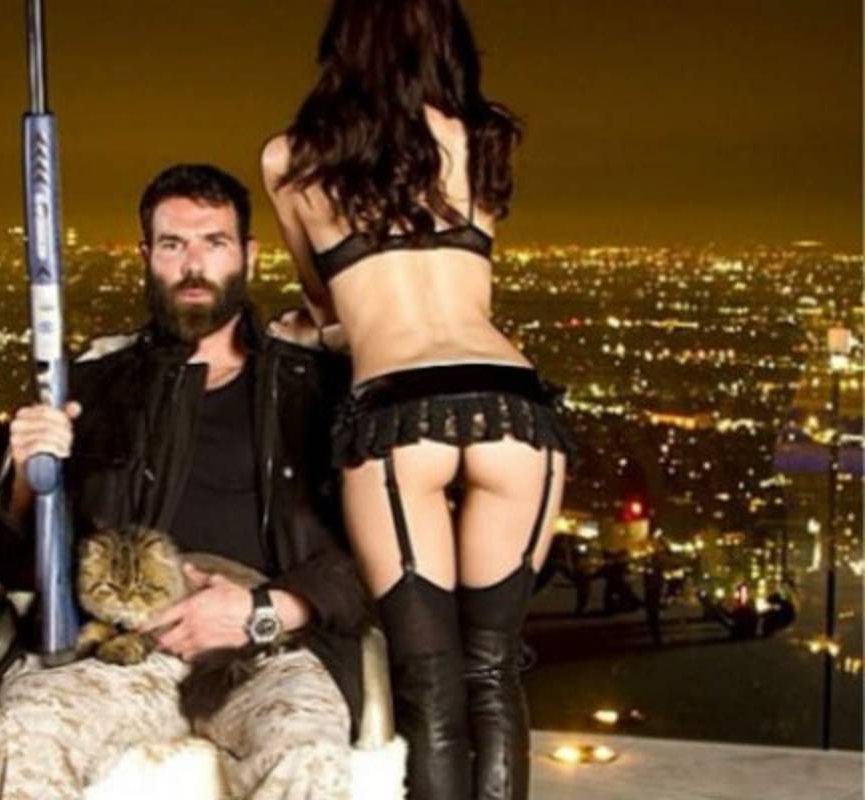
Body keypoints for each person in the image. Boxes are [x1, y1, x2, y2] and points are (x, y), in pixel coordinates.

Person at [259, 2, 581, 798]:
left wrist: (309, 331)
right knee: (493, 671)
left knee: (428, 684)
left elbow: (333, 314)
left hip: (400, 414)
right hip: (513, 407)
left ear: (342, 40)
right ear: (446, 42)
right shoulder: (479, 139)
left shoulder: (293, 159)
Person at [0, 164, 370, 800]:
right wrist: (27, 475)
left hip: (267, 649)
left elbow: (384, 560)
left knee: (308, 755)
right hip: (116, 648)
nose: (193, 265)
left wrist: (265, 610)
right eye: (172, 244)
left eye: (214, 242)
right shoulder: (93, 384)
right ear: (146, 257)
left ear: (247, 254)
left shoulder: (320, 388)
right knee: (24, 733)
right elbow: (14, 566)